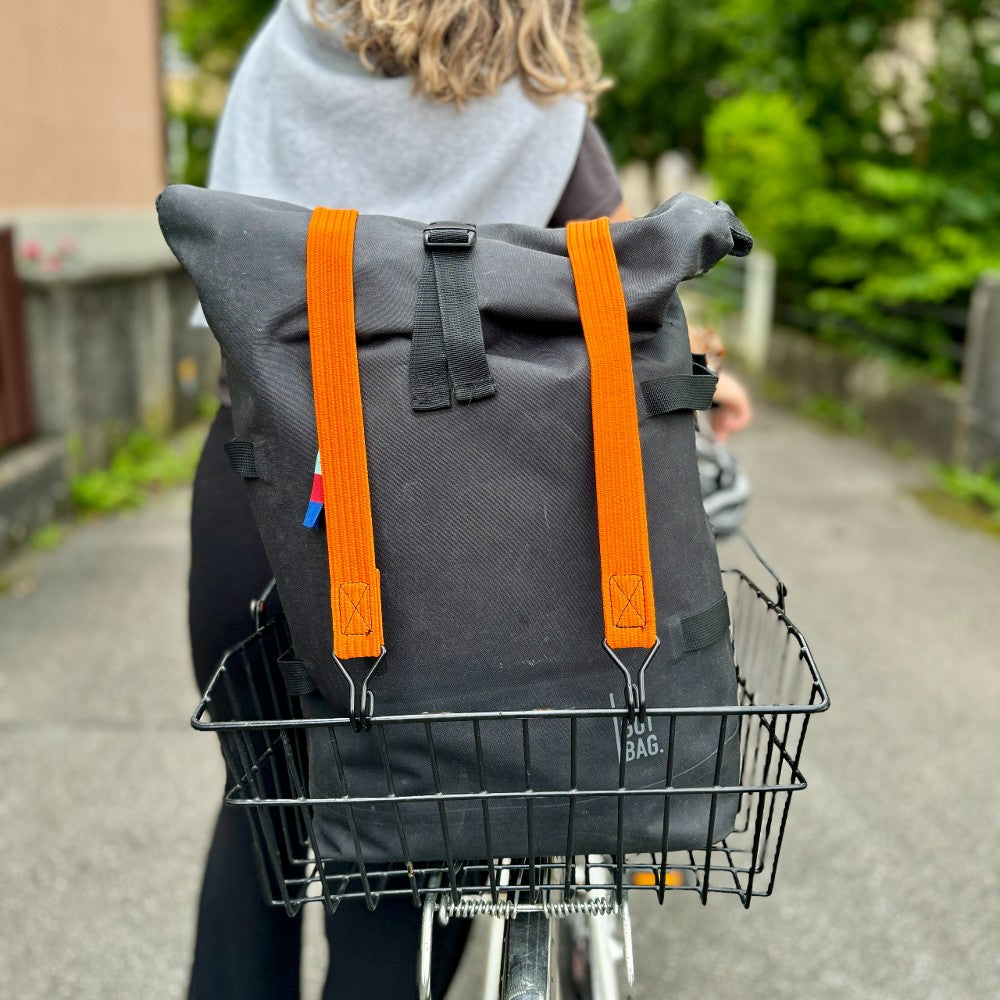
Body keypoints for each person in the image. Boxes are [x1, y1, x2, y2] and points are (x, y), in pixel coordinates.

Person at [186, 2, 638, 998]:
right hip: (443, 515)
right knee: (417, 832)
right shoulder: (538, 89)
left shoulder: (283, 50)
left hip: (261, 489)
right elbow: (613, 294)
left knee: (263, 801)